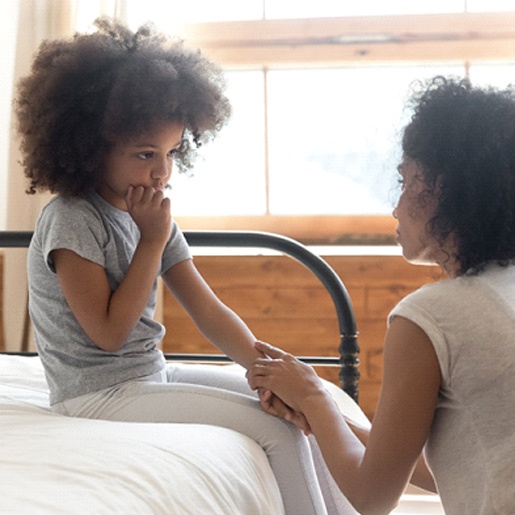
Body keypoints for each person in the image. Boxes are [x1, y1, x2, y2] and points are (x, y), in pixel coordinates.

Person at [15, 17, 355, 515]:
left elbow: (209, 311)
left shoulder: (151, 212)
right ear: (89, 148)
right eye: (146, 154)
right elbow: (109, 334)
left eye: (172, 152)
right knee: (274, 429)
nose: (162, 170)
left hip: (148, 376)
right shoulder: (72, 219)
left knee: (304, 403)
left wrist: (266, 369)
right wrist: (149, 243)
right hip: (93, 395)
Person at [247, 76, 515, 514]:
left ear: (449, 192)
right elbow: (454, 460)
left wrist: (315, 395)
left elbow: (373, 498)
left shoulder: (431, 316)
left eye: (408, 181)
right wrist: (328, 420)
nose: (396, 205)